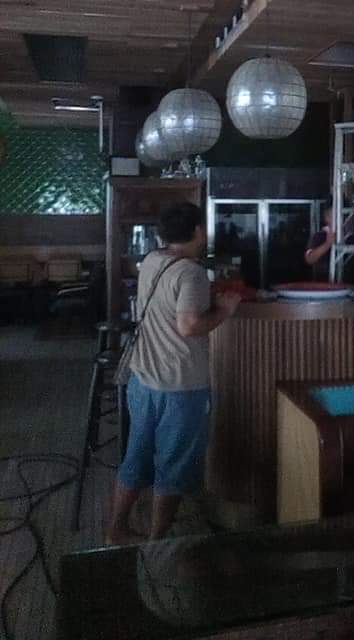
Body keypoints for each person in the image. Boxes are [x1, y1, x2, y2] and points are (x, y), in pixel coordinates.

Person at [108, 202, 242, 544]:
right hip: (180, 384)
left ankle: (117, 529)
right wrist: (225, 310)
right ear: (197, 231)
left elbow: (168, 307)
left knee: (137, 455)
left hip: (143, 378)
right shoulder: (191, 273)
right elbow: (189, 325)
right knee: (174, 465)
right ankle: (157, 542)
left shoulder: (152, 260)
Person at [304, 198, 336, 276]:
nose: (339, 219)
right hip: (323, 281)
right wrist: (327, 244)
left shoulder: (351, 237)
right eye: (335, 215)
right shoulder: (319, 236)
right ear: (326, 217)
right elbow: (309, 259)